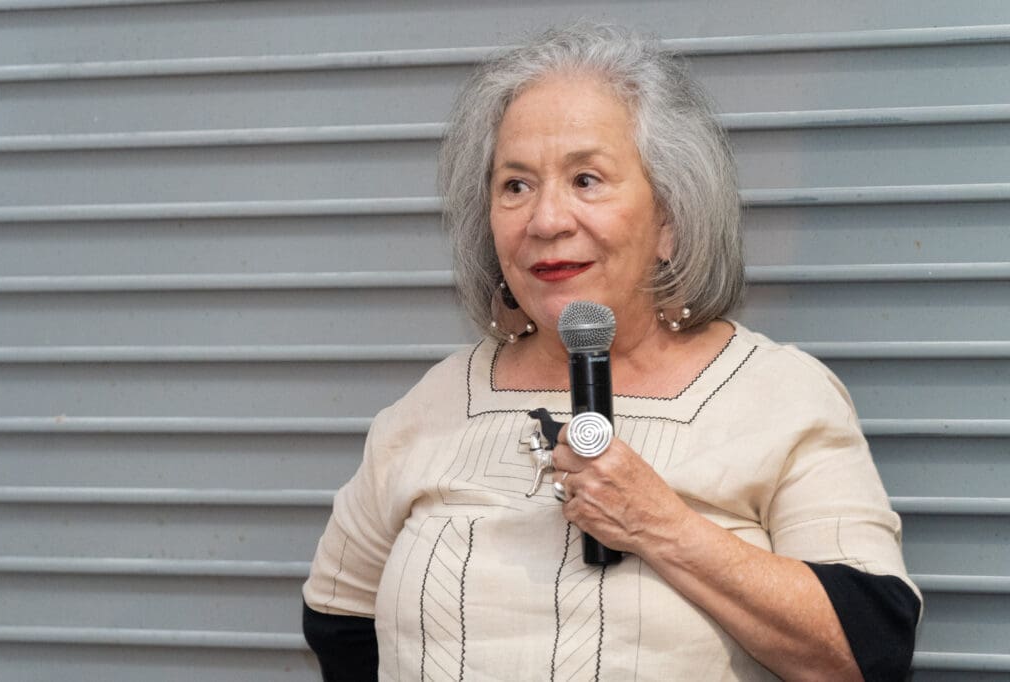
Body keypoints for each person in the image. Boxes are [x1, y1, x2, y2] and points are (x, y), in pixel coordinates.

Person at [302, 23, 921, 681]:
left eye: (586, 179)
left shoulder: (778, 395)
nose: (545, 221)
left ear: (669, 219)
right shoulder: (434, 404)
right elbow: (338, 618)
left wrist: (659, 525)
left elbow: (867, 651)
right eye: (516, 185)